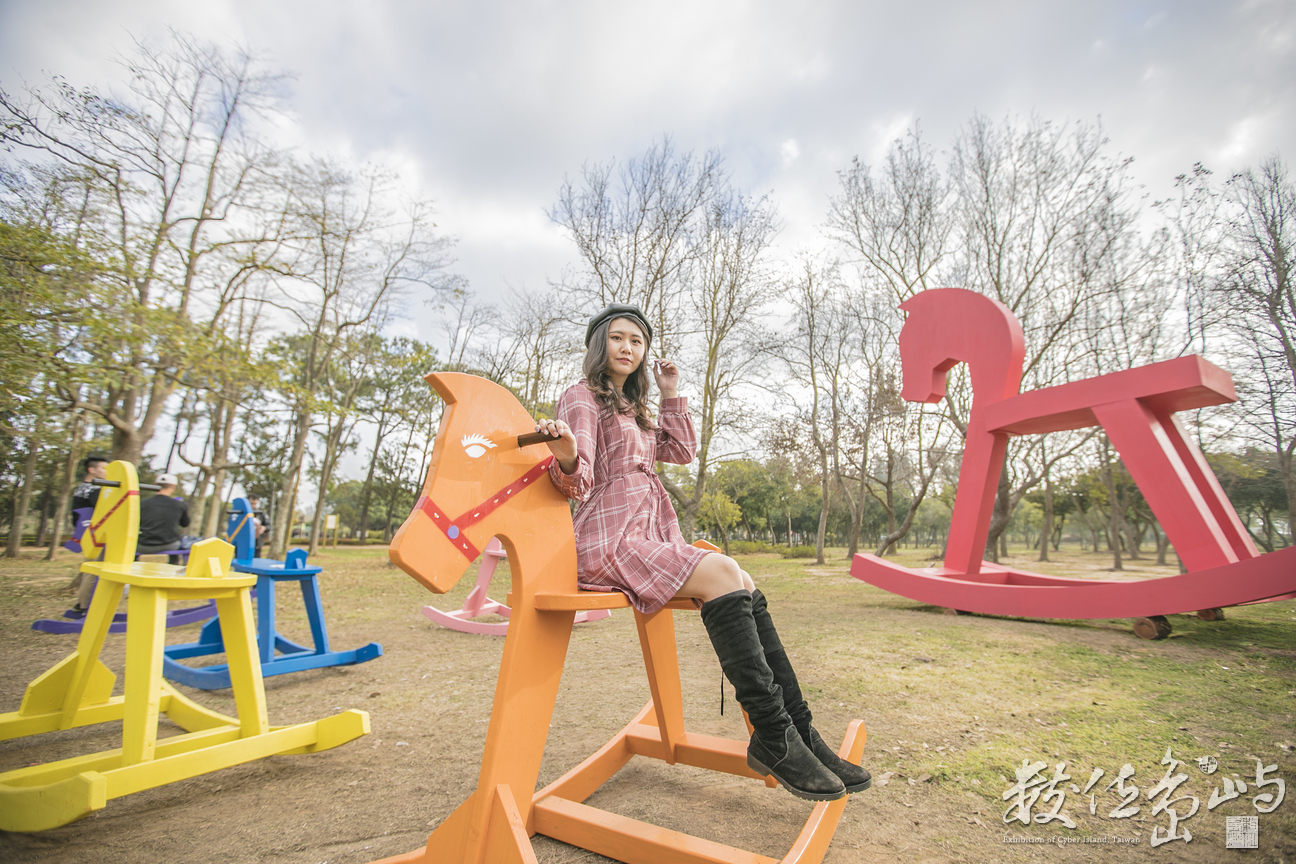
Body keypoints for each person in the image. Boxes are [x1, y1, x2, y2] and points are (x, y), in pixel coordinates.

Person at [536, 303, 871, 803]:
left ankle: (795, 730)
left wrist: (671, 395)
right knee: (720, 571)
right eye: (618, 338)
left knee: (742, 579)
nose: (628, 348)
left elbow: (681, 451)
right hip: (610, 536)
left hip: (650, 534)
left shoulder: (635, 405)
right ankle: (774, 735)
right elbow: (577, 480)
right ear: (599, 343)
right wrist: (563, 452)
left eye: (637, 342)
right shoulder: (581, 397)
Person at [68, 455, 110, 616]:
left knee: (91, 567)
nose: (107, 472)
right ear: (92, 470)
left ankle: (83, 604)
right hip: (95, 534)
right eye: (103, 468)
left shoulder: (82, 487)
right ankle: (84, 606)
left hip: (86, 532)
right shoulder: (94, 489)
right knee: (95, 568)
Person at [136, 473, 190, 564]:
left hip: (144, 545)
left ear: (156, 485)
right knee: (179, 546)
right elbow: (185, 523)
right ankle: (174, 568)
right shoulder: (180, 505)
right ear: (173, 486)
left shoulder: (143, 503)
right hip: (169, 545)